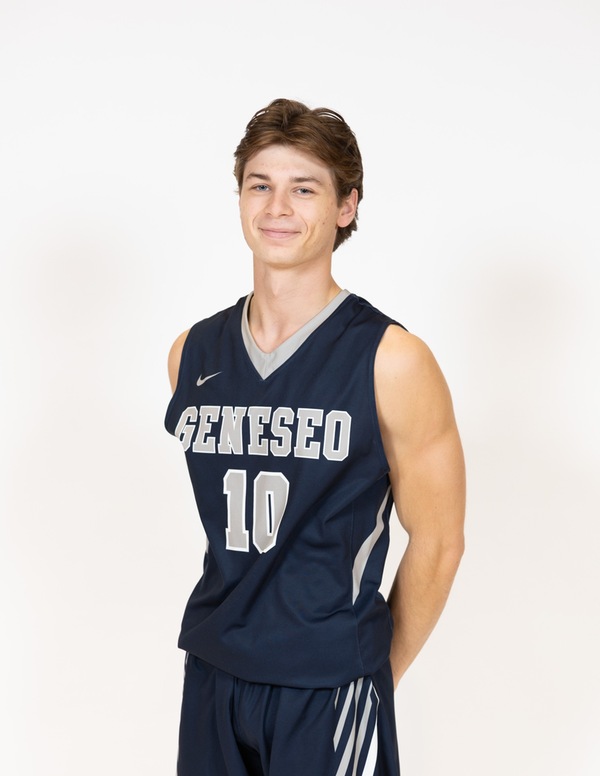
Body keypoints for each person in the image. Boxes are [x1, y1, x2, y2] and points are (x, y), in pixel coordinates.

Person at [165, 98, 465, 776]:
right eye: (260, 185)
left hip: (328, 684)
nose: (277, 207)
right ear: (240, 199)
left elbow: (440, 541)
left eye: (304, 189)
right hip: (212, 670)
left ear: (345, 207)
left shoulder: (391, 359)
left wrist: (369, 674)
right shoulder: (192, 353)